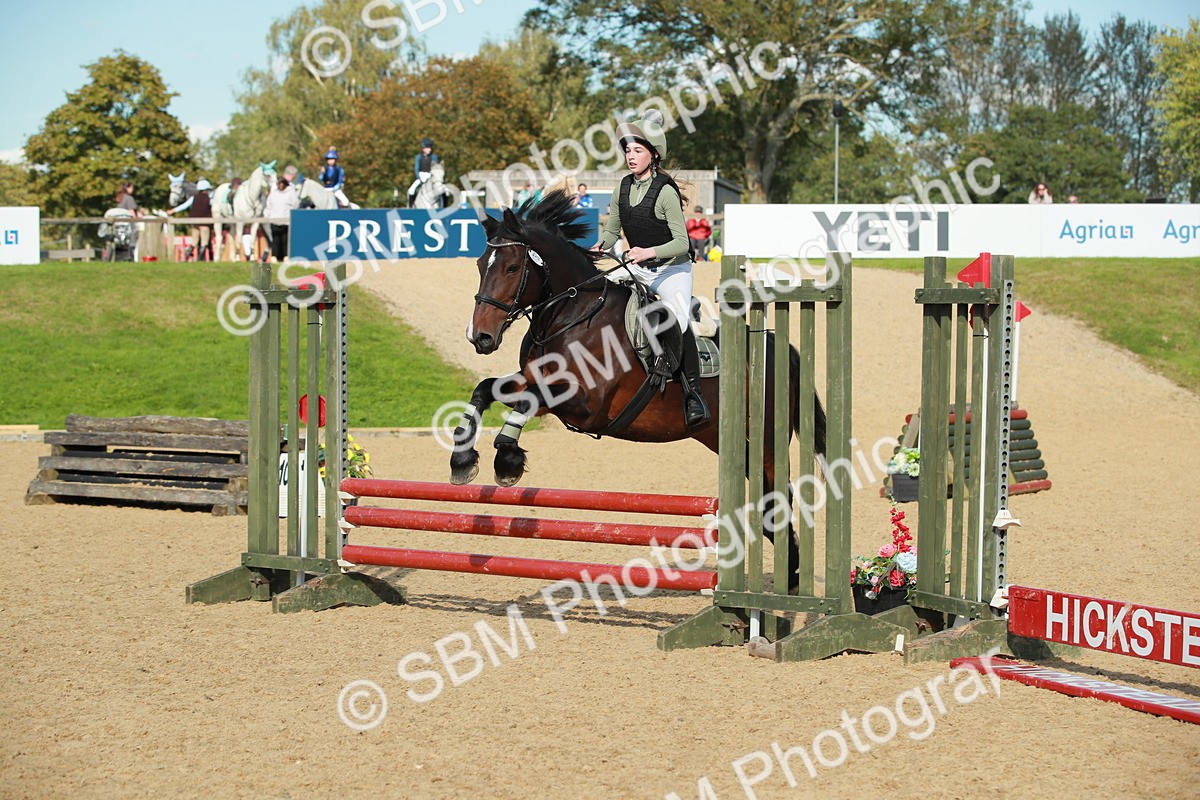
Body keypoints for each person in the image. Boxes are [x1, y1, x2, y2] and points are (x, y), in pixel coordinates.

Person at [592, 111, 709, 428]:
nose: (630, 156)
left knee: (679, 321)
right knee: (600, 294)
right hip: (640, 266)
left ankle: (692, 394)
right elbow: (611, 231)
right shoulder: (623, 187)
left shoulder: (666, 191)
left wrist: (648, 251)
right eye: (628, 151)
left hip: (672, 270)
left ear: (654, 154)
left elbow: (682, 243)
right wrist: (599, 245)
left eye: (637, 150)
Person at [263, 177, 299, 263]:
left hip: (286, 221)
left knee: (285, 240)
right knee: (275, 240)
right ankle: (274, 256)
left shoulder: (291, 193)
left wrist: (290, 215)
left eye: (282, 184)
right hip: (274, 219)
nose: (280, 186)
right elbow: (269, 205)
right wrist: (267, 214)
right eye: (278, 184)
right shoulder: (273, 194)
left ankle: (286, 256)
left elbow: (295, 205)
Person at [408, 138, 441, 206]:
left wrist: (432, 176)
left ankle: (443, 206)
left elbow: (436, 169)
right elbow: (416, 169)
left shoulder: (434, 157)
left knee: (445, 192)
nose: (429, 149)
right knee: (411, 190)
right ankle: (411, 207)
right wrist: (419, 178)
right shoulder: (418, 157)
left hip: (431, 176)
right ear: (423, 148)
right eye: (427, 147)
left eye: (430, 147)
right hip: (421, 176)